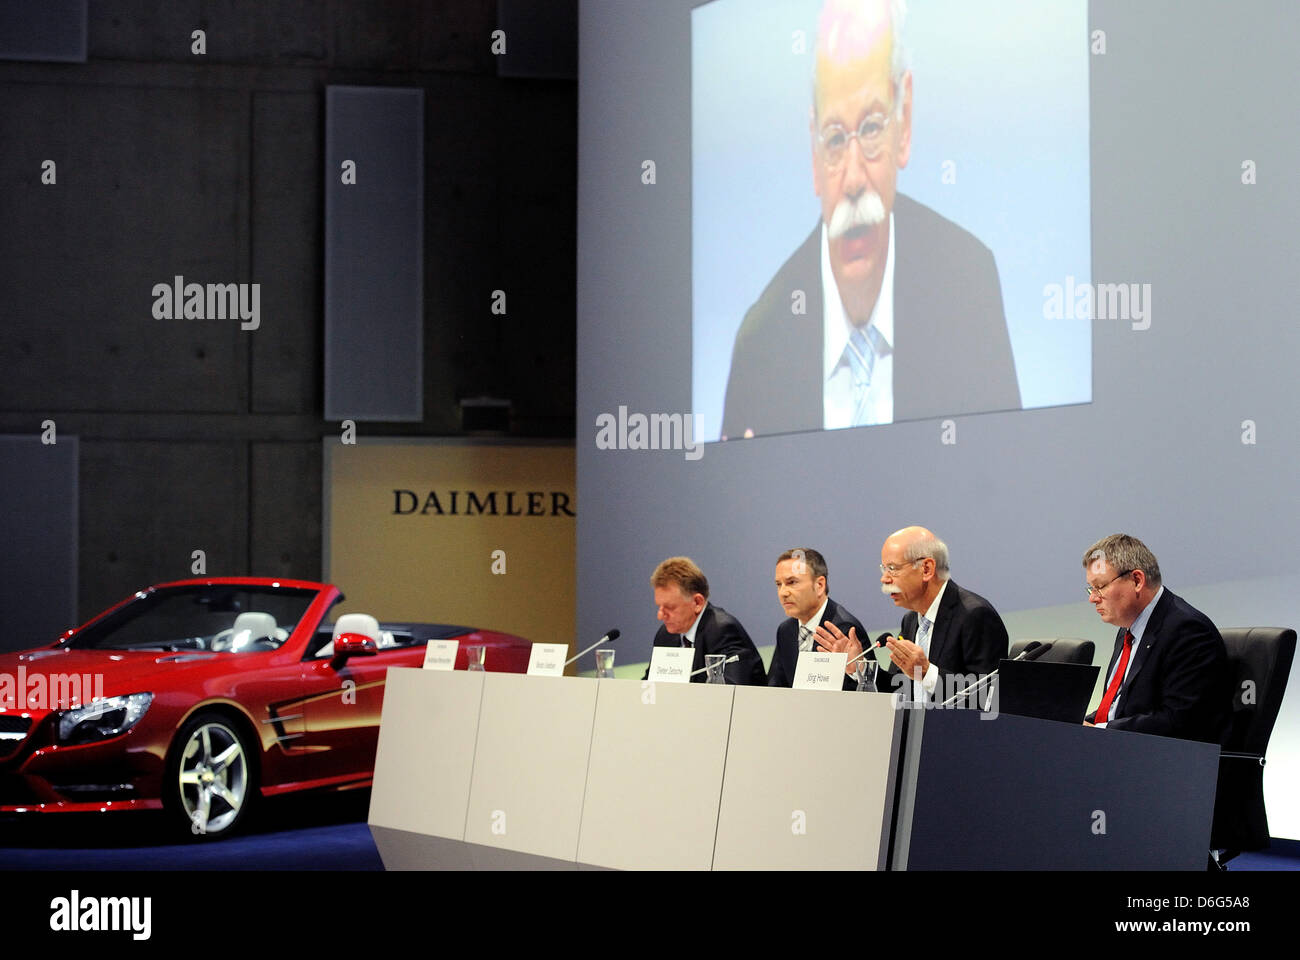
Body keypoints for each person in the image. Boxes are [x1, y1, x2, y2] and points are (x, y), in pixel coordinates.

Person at [720, 0, 1019, 441]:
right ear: (814, 154)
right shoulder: (760, 347)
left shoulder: (968, 287)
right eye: (836, 139)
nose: (855, 179)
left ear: (905, 120)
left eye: (873, 128)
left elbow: (1012, 478)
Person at [817, 526, 1006, 702]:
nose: (884, 578)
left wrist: (926, 673)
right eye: (884, 569)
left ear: (926, 569)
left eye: (893, 568)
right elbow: (898, 690)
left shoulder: (975, 615)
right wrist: (860, 667)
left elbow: (987, 698)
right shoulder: (911, 620)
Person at [1082, 534, 1228, 742]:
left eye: (1100, 587)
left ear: (1137, 580)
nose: (1092, 598)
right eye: (1091, 588)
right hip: (1120, 751)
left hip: (1163, 764)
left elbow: (1179, 720)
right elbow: (1118, 709)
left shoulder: (1187, 630)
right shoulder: (1128, 630)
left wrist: (1101, 730)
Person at [644, 556, 766, 685]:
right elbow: (649, 684)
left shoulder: (722, 630)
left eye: (670, 607)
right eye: (659, 606)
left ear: (697, 602)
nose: (660, 615)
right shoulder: (666, 635)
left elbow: (729, 691)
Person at [767, 548, 870, 690]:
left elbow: (864, 690)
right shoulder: (786, 630)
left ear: (819, 585)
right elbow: (775, 687)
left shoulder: (844, 628)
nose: (783, 592)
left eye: (792, 582)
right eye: (779, 584)